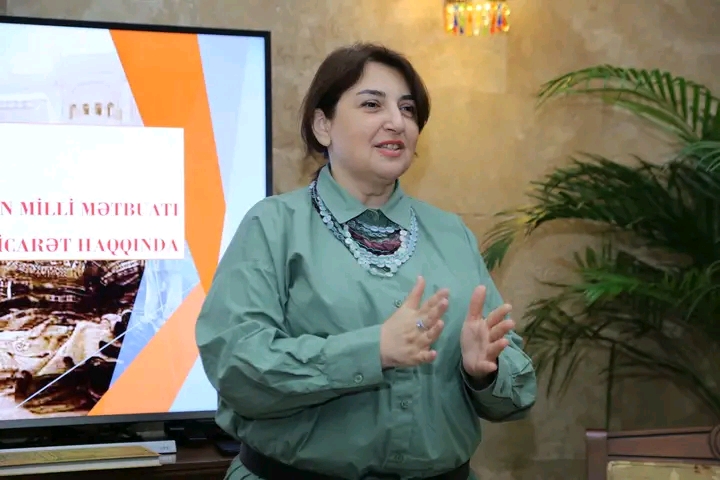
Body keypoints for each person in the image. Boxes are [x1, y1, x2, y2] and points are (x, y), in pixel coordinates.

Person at [195, 42, 537, 480]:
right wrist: (372, 351)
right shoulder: (273, 225)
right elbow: (237, 367)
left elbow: (517, 393)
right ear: (323, 125)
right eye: (372, 104)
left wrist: (484, 372)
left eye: (408, 109)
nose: (397, 121)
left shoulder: (451, 234)